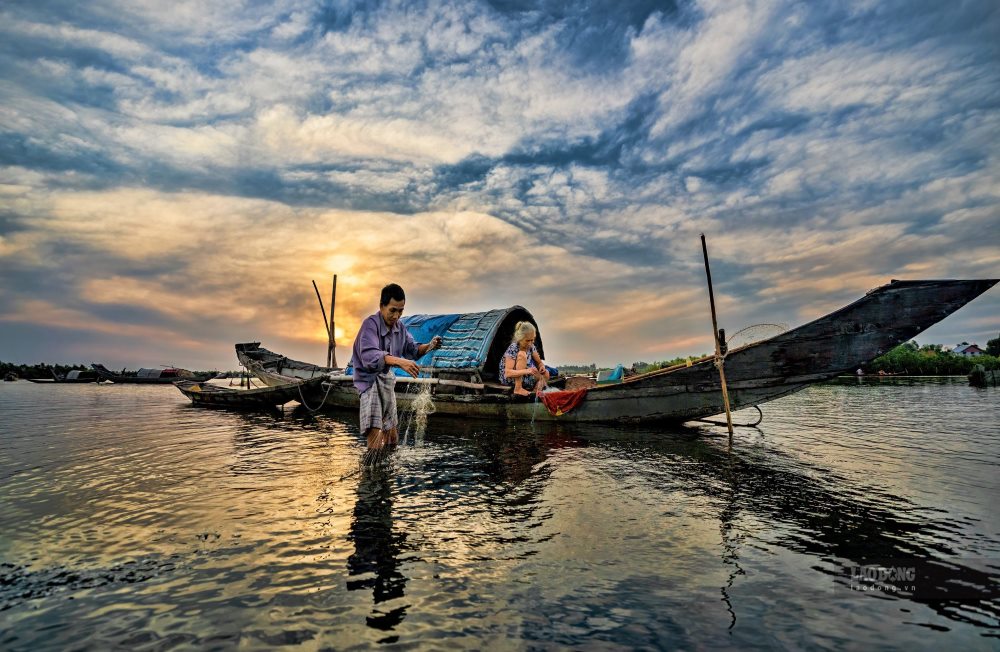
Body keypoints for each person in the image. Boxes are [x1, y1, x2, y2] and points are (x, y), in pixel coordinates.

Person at [351, 283, 442, 450]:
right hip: (370, 382)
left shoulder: (399, 327)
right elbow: (369, 356)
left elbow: (413, 350)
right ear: (382, 306)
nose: (396, 315)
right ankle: (372, 473)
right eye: (393, 310)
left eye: (400, 311)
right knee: (376, 435)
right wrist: (401, 362)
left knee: (392, 436)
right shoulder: (369, 325)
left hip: (386, 380)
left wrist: (430, 345)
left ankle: (388, 472)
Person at [499, 321, 549, 396]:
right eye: (527, 340)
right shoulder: (513, 348)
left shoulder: (531, 346)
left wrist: (541, 366)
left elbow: (539, 362)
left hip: (525, 375)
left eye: (532, 340)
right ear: (520, 338)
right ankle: (518, 388)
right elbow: (508, 373)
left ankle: (535, 393)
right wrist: (527, 371)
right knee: (522, 354)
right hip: (510, 379)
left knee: (546, 374)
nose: (530, 343)